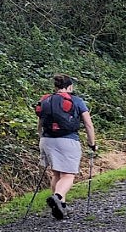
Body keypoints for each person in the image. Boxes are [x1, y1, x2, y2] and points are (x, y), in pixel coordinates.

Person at [35, 74, 96, 220]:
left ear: (55, 87)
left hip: (47, 140)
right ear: (70, 87)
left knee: (57, 174)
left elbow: (40, 124)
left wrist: (42, 138)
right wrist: (92, 143)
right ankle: (57, 197)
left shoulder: (46, 100)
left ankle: (61, 207)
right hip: (67, 141)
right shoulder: (76, 100)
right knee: (68, 175)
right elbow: (88, 124)